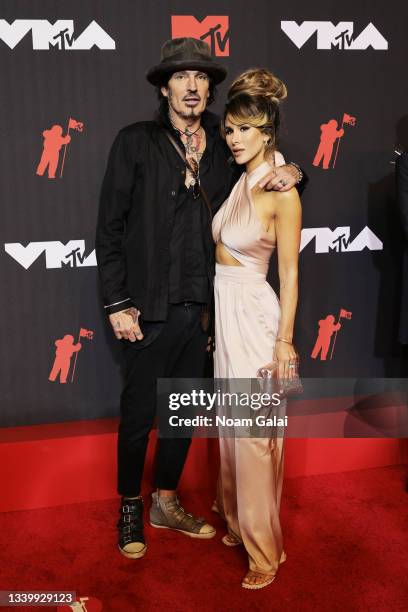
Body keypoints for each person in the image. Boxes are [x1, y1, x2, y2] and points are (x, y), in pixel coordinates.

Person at [96, 38, 304, 560]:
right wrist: (117, 302)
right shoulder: (135, 141)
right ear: (164, 86)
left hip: (203, 311)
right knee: (140, 412)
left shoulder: (227, 138)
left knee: (183, 413)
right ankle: (129, 506)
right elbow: (110, 228)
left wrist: (300, 171)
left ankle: (165, 502)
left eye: (200, 77)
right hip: (146, 308)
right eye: (180, 76)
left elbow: (270, 169)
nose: (191, 85)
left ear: (210, 88)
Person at [212, 69, 302, 589]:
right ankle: (238, 520)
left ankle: (266, 552)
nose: (235, 138)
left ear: (267, 130)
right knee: (232, 424)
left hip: (255, 312)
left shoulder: (281, 189)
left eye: (245, 129)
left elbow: (290, 273)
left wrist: (284, 339)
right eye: (230, 129)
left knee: (253, 434)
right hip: (226, 311)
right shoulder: (243, 177)